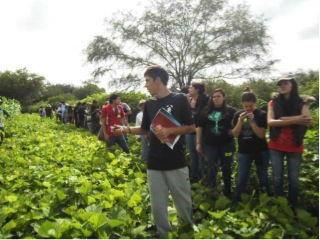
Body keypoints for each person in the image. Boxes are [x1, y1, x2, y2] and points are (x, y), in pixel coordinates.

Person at [114, 65, 196, 237]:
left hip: (176, 160)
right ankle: (162, 232)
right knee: (157, 201)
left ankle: (187, 227)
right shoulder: (149, 104)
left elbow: (191, 127)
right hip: (154, 161)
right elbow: (145, 129)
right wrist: (125, 129)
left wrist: (169, 131)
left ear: (158, 80)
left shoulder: (180, 99)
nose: (146, 85)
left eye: (147, 81)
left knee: (182, 199)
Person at [267, 77, 312, 209]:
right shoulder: (273, 102)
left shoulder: (302, 102)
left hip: (295, 145)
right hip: (276, 145)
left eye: (286, 83)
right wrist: (297, 119)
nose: (282, 86)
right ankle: (279, 206)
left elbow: (307, 120)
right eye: (280, 84)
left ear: (293, 85)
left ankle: (292, 207)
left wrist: (283, 119)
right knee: (277, 179)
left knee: (294, 180)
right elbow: (270, 122)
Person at [196, 88, 237, 197]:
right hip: (210, 145)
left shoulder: (231, 111)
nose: (216, 98)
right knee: (211, 167)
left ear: (224, 97)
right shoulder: (206, 111)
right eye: (214, 97)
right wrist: (198, 143)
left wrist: (235, 130)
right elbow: (199, 127)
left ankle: (227, 191)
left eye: (218, 96)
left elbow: (240, 124)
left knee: (227, 167)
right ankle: (212, 189)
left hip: (227, 145)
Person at [232, 87, 270, 203]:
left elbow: (261, 135)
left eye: (251, 106)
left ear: (255, 103)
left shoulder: (261, 114)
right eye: (246, 106)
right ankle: (237, 200)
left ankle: (266, 199)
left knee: (263, 176)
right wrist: (240, 121)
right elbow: (235, 134)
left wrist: (252, 121)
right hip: (244, 151)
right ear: (242, 104)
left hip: (261, 150)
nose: (248, 109)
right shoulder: (238, 114)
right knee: (242, 177)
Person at [186, 82, 209, 183]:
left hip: (200, 132)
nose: (189, 89)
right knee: (193, 156)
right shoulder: (189, 100)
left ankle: (206, 180)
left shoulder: (205, 100)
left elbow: (203, 117)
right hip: (190, 132)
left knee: (202, 157)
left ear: (197, 89)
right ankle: (193, 178)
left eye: (191, 88)